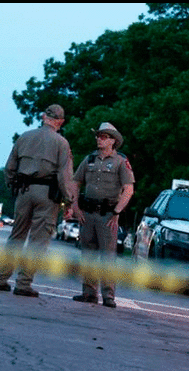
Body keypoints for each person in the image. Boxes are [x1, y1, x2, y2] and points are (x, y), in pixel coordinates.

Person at [0, 104, 76, 298]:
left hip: (24, 191)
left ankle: (0, 279)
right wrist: (69, 201)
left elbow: (9, 168)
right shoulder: (61, 143)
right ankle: (23, 283)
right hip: (47, 194)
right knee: (38, 240)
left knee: (16, 235)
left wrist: (14, 186)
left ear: (43, 116)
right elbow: (64, 176)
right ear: (60, 122)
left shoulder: (25, 137)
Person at [69, 122, 134, 308]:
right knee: (87, 254)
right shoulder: (89, 159)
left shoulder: (121, 161)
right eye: (98, 136)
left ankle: (108, 296)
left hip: (108, 215)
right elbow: (75, 182)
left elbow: (128, 189)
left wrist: (117, 211)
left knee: (108, 256)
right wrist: (75, 207)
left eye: (103, 136)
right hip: (87, 213)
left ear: (113, 140)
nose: (99, 139)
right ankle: (89, 293)